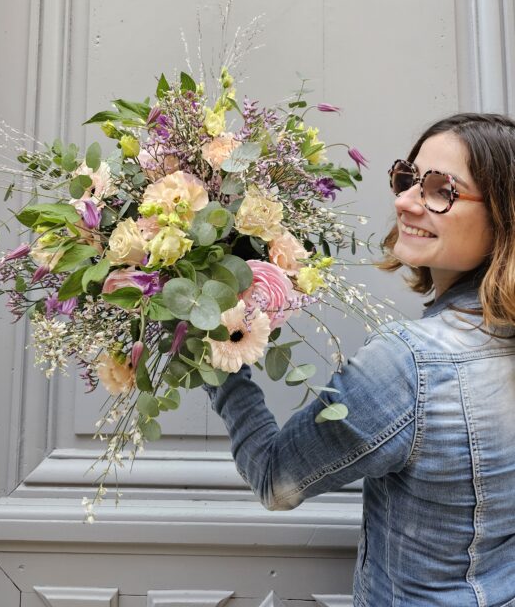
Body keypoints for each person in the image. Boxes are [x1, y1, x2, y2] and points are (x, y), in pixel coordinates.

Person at [204, 113, 515, 607]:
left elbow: (273, 479)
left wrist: (216, 342)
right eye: (407, 178)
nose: (403, 200)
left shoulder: (409, 365)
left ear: (504, 215)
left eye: (440, 190)